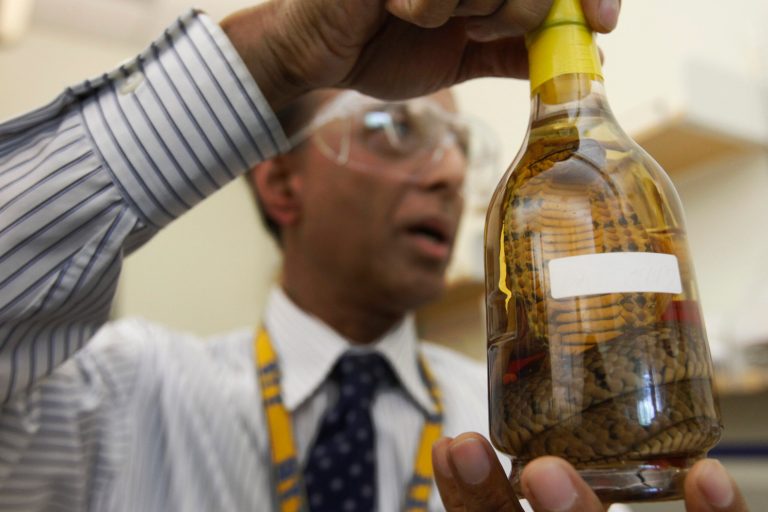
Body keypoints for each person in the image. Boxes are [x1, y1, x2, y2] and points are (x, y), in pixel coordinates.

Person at [0, 0, 747, 510]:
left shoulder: (529, 428)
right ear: (281, 183)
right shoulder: (126, 394)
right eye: (394, 129)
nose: (450, 173)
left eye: (461, 145)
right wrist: (277, 53)